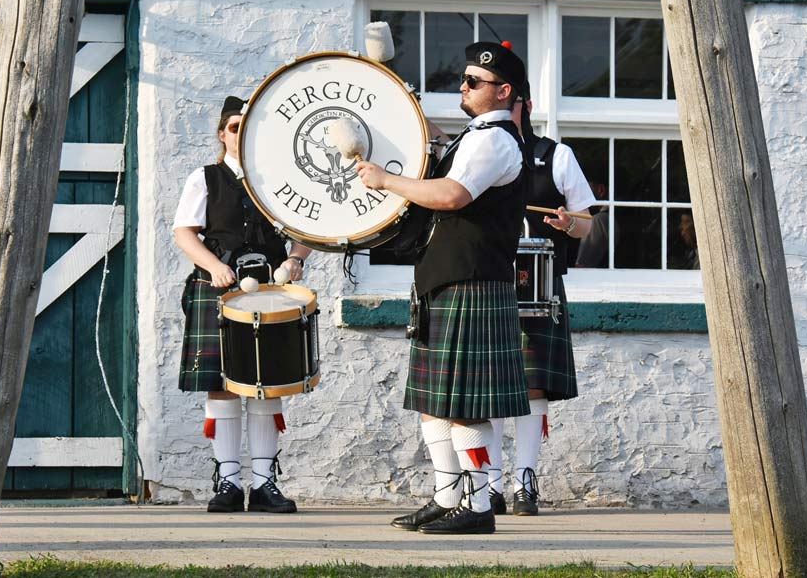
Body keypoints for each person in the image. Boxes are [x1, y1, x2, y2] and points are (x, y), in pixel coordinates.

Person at [356, 41, 531, 535]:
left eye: (474, 81)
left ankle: (477, 505)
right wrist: (398, 95)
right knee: (435, 402)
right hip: (446, 278)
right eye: (464, 78)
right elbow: (434, 143)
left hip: (471, 282)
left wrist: (386, 181)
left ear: (503, 91)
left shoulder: (495, 141)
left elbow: (452, 194)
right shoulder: (474, 136)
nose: (463, 86)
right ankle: (447, 496)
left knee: (465, 407)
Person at [173, 96, 313, 514]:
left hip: (270, 288)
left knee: (268, 381)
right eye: (235, 126)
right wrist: (214, 266)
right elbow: (184, 232)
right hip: (219, 286)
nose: (241, 132)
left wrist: (296, 258)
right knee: (223, 384)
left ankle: (265, 484)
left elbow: (308, 227)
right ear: (222, 134)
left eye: (249, 124)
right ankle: (229, 483)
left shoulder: (281, 178)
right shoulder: (205, 178)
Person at [485, 81, 597, 516]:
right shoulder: (478, 151)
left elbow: (586, 222)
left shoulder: (555, 156)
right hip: (487, 279)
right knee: (491, 383)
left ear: (526, 105)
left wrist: (568, 223)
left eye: (511, 105)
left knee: (532, 384)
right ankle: (490, 483)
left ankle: (525, 482)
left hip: (540, 285)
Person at [575, 178, 617, 268]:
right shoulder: (614, 216)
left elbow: (582, 267)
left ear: (600, 190)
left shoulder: (599, 220)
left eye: (585, 189)